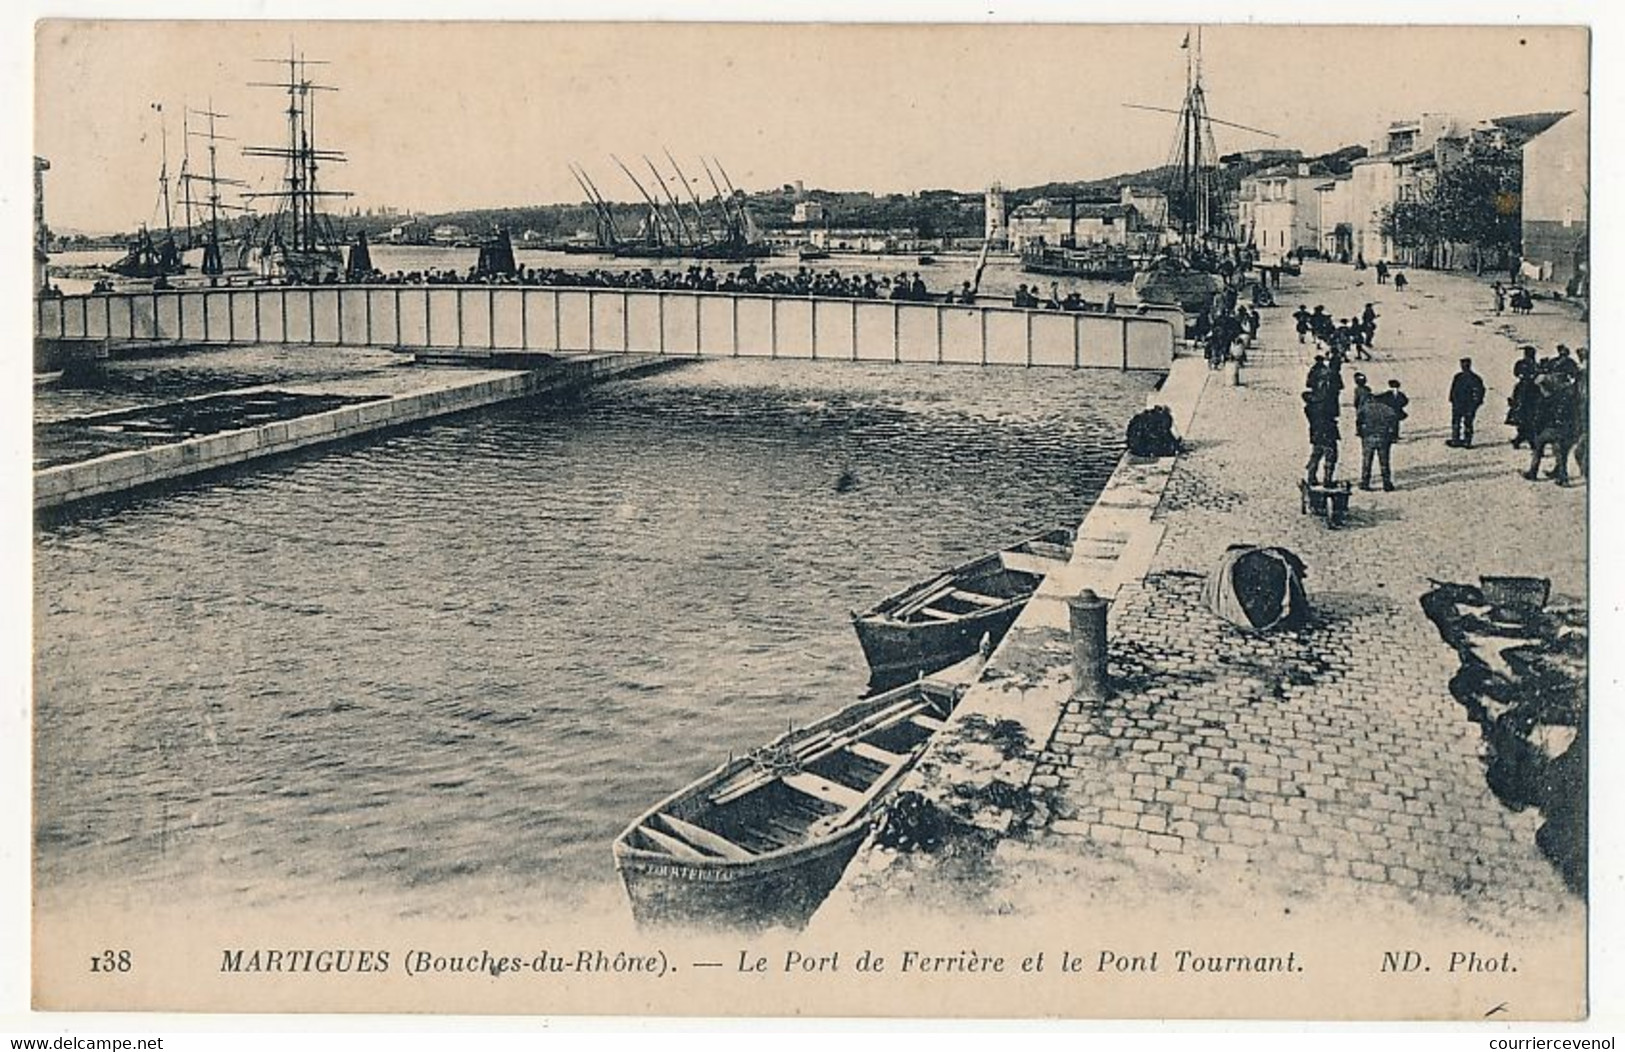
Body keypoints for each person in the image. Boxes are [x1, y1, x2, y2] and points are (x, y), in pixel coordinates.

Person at [1524, 372, 1578, 486]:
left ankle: (1533, 472)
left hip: (1552, 430)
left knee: (1538, 446)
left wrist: (1537, 429)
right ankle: (1563, 478)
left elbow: (1540, 418)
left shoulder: (1546, 400)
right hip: (1565, 430)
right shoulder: (1567, 396)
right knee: (1560, 453)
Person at [1356, 390, 1400, 491]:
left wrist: (1361, 433)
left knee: (1367, 461)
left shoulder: (1365, 408)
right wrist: (1393, 436)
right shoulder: (1388, 409)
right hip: (1383, 437)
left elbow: (1359, 421)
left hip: (1368, 437)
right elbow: (1394, 423)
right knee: (1384, 462)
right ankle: (1386, 483)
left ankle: (1365, 482)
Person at [1448, 357, 1486, 448]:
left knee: (1459, 422)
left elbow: (1454, 391)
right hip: (1465, 404)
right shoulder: (1474, 378)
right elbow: (1453, 390)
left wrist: (1452, 400)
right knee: (1466, 422)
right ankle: (1465, 441)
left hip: (1462, 404)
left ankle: (1457, 440)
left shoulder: (1460, 377)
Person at [1304, 390, 1340, 487]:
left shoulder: (1309, 409)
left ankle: (1311, 477)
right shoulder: (1323, 407)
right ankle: (1327, 479)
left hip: (1316, 435)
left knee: (1315, 456)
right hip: (1329, 434)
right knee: (1330, 458)